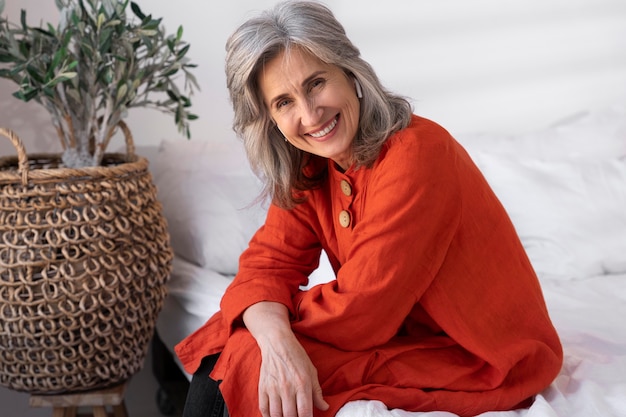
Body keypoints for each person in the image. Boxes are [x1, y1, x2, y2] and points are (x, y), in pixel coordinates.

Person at [175, 1, 563, 417]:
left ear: (350, 73)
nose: (309, 114)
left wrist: (270, 322)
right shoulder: (312, 167)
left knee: (242, 363)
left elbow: (362, 310)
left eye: (316, 83)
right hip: (397, 335)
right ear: (270, 120)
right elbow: (268, 265)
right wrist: (275, 334)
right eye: (284, 102)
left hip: (476, 352)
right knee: (242, 352)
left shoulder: (417, 153)